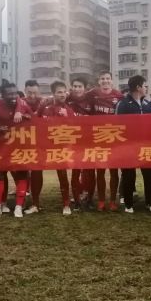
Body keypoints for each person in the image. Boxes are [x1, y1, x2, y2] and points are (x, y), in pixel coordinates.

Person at [0, 83, 33, 218]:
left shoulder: (22, 105)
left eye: (15, 93)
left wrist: (25, 116)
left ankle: (18, 207)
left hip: (20, 147)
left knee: (22, 175)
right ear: (2, 95)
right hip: (3, 148)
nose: (13, 96)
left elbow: (33, 119)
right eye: (9, 94)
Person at [115, 75, 151, 213]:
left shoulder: (147, 105)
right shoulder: (123, 104)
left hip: (146, 146)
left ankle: (149, 203)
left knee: (149, 175)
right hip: (129, 146)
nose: (146, 89)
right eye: (145, 86)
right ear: (138, 87)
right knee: (128, 175)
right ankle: (128, 204)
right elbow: (118, 126)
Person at [86, 71, 123, 211]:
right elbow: (77, 98)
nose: (105, 81)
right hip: (98, 138)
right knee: (100, 171)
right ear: (99, 81)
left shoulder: (119, 95)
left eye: (108, 78)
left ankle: (113, 200)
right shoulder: (92, 93)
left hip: (113, 138)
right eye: (103, 79)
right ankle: (101, 200)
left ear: (112, 81)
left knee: (114, 172)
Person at [38, 81, 75, 215]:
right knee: (37, 172)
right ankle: (35, 203)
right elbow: (38, 125)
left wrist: (67, 117)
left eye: (64, 91)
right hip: (45, 148)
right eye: (59, 92)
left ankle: (66, 204)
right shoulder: (45, 108)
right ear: (53, 93)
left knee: (63, 176)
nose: (62, 94)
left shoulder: (69, 110)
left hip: (61, 148)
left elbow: (75, 129)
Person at [66, 76, 92, 210]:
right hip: (73, 142)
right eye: (75, 86)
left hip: (88, 142)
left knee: (88, 172)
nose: (77, 89)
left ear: (85, 88)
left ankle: (87, 198)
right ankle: (76, 199)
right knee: (75, 172)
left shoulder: (90, 100)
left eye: (80, 86)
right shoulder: (66, 99)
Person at [22, 79, 45, 215]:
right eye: (29, 93)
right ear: (25, 91)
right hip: (23, 142)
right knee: (23, 172)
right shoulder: (19, 102)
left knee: (37, 171)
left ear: (39, 92)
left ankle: (36, 202)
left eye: (35, 93)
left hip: (39, 143)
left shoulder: (44, 102)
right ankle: (22, 197)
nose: (32, 96)